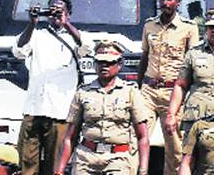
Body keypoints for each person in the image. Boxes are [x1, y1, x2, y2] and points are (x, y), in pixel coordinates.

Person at [13, 0, 84, 175]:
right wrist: (32, 22)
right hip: (34, 108)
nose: (54, 14)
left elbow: (87, 47)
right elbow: (19, 50)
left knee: (55, 165)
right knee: (27, 162)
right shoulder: (37, 35)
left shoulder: (74, 37)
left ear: (69, 13)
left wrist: (65, 23)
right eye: (51, 10)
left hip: (59, 111)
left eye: (59, 10)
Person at [54, 41, 149, 175]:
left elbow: (143, 136)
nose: (104, 66)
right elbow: (70, 136)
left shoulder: (131, 92)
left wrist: (143, 170)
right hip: (86, 158)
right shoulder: (83, 93)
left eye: (110, 62)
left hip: (118, 159)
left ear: (119, 64)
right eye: (100, 62)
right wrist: (60, 169)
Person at [138, 0, 199, 175]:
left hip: (173, 92)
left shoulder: (188, 28)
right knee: (138, 137)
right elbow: (145, 57)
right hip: (148, 90)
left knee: (174, 146)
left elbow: (191, 62)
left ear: (178, 2)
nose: (165, 3)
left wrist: (189, 92)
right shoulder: (149, 25)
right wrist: (138, 85)